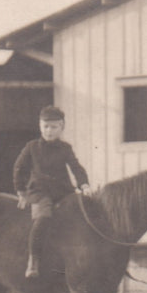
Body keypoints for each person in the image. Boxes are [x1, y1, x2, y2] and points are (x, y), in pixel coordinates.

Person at [13, 105, 91, 279]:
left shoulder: (65, 148)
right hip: (40, 192)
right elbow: (19, 168)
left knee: (80, 214)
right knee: (43, 218)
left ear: (61, 127)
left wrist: (84, 184)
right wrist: (21, 190)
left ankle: (77, 260)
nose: (49, 131)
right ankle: (33, 261)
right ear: (40, 126)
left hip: (63, 191)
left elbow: (76, 167)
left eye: (54, 127)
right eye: (45, 126)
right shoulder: (32, 147)